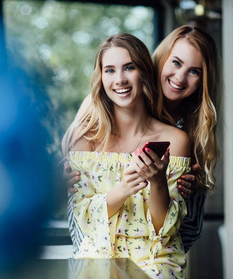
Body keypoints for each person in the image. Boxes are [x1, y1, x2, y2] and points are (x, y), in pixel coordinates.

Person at [66, 24, 222, 253]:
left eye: (194, 71)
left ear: (203, 80)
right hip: (96, 240)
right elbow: (73, 146)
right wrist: (66, 166)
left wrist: (186, 187)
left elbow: (186, 230)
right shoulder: (116, 95)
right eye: (176, 63)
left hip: (157, 252)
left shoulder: (190, 133)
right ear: (159, 61)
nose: (179, 77)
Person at [62, 33, 191, 279]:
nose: (119, 79)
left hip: (155, 258)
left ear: (143, 72)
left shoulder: (175, 140)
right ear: (101, 78)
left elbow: (165, 230)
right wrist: (121, 190)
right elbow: (84, 221)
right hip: (98, 255)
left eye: (129, 67)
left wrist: (157, 182)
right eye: (110, 70)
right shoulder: (85, 140)